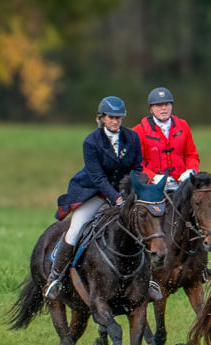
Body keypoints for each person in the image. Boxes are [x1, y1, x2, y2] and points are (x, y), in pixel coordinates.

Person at [46, 96, 146, 300]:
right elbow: (98, 177)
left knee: (146, 226)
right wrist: (116, 199)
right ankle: (55, 278)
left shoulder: (132, 138)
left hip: (125, 194)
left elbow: (137, 168)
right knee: (75, 230)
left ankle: (149, 279)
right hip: (95, 193)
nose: (115, 121)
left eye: (118, 117)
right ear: (102, 118)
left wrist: (129, 193)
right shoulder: (91, 141)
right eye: (111, 117)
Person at [134, 86, 200, 191]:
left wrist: (190, 171)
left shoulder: (183, 125)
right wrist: (153, 177)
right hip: (152, 186)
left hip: (181, 184)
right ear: (151, 109)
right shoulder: (139, 130)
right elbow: (137, 164)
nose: (163, 108)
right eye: (159, 105)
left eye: (167, 104)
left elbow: (191, 155)